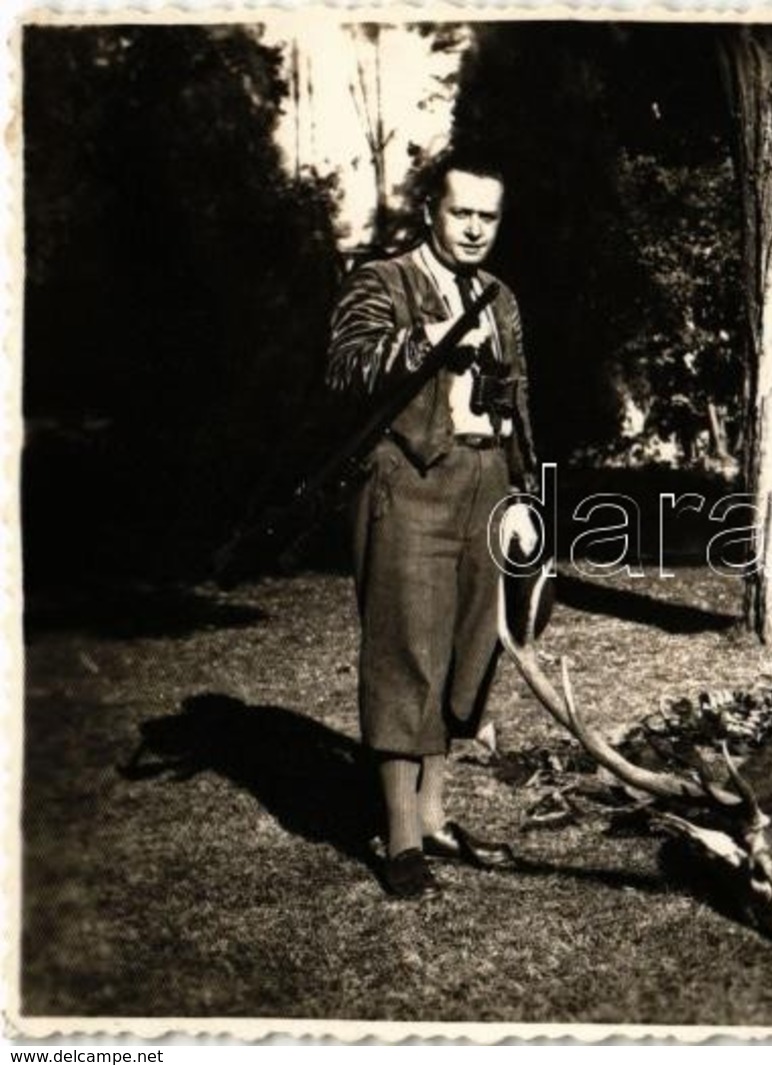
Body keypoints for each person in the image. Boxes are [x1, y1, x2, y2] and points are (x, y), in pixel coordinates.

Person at [326, 152, 539, 900]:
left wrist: (521, 494)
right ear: (431, 212)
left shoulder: (500, 295)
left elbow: (516, 400)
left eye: (488, 216)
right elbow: (346, 368)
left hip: (486, 482)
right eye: (462, 213)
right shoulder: (382, 280)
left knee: (467, 652)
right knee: (405, 650)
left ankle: (439, 813)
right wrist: (432, 340)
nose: (476, 228)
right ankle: (403, 835)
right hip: (409, 484)